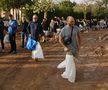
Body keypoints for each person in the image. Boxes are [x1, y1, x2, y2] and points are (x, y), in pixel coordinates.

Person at [57, 16, 81, 83]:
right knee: (71, 63)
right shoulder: (64, 29)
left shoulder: (76, 28)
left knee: (75, 60)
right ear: (67, 22)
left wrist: (79, 45)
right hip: (69, 49)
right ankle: (71, 76)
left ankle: (68, 68)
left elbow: (79, 37)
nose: (73, 22)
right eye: (71, 21)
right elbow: (60, 39)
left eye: (73, 21)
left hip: (75, 48)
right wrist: (64, 47)